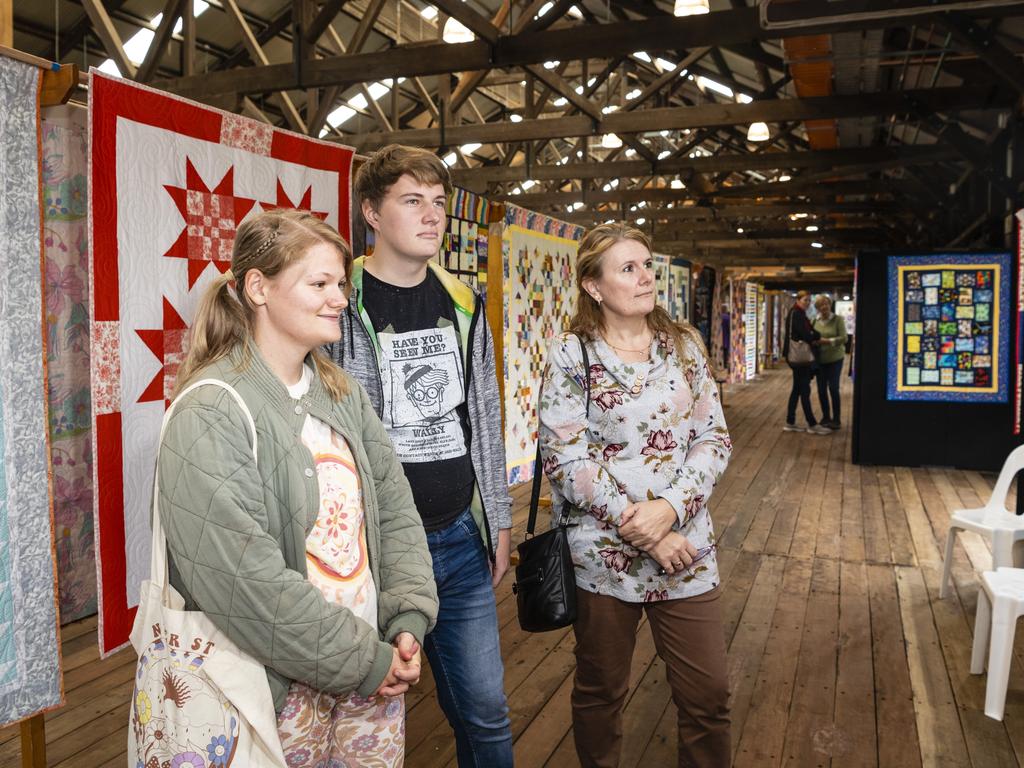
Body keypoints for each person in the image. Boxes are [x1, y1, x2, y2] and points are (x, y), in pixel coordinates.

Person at [158, 209, 438, 766]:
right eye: (319, 284)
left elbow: (395, 512)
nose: (338, 298)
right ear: (259, 287)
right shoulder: (211, 410)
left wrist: (406, 618)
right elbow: (244, 580)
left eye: (340, 284)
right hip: (271, 691)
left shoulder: (342, 394)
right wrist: (364, 659)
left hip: (371, 669)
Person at [325, 145, 514, 767]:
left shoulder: (462, 301)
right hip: (372, 545)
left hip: (459, 537)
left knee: (486, 708)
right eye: (412, 201)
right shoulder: (335, 301)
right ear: (371, 213)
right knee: (367, 715)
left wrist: (500, 519)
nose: (431, 216)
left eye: (438, 203)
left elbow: (483, 413)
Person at [539, 222, 733, 768]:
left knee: (709, 695)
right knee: (601, 692)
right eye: (629, 268)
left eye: (647, 264)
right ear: (594, 287)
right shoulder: (571, 354)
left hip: (685, 548)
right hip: (604, 553)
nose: (646, 276)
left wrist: (669, 511)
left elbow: (713, 437)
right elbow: (565, 457)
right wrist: (638, 523)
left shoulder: (685, 347)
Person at [783, 291, 830, 435]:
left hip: (796, 357)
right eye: (805, 300)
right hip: (799, 357)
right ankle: (812, 424)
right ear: (798, 300)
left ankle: (790, 422)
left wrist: (814, 334)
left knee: (797, 389)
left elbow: (807, 331)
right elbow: (805, 333)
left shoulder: (798, 313)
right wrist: (816, 336)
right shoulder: (796, 313)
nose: (807, 302)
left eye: (809, 300)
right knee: (805, 390)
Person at [812, 295, 847, 430]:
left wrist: (827, 341)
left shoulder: (838, 320)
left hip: (835, 359)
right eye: (821, 305)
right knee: (821, 390)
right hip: (820, 360)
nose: (824, 307)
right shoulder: (814, 321)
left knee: (833, 388)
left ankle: (836, 419)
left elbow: (844, 338)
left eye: (826, 304)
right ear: (818, 308)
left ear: (830, 305)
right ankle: (825, 417)